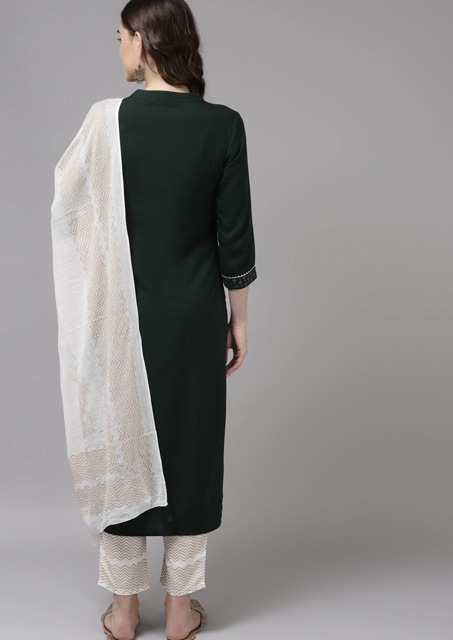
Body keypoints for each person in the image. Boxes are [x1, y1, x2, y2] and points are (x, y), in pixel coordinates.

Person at [52, 1, 257, 639]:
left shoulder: (105, 122)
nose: (118, 49)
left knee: (122, 447)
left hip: (118, 317)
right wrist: (238, 321)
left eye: (120, 37)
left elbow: (69, 208)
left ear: (142, 41)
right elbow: (234, 240)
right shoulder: (223, 125)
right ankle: (178, 611)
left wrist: (100, 276)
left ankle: (121, 611)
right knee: (190, 449)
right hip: (192, 317)